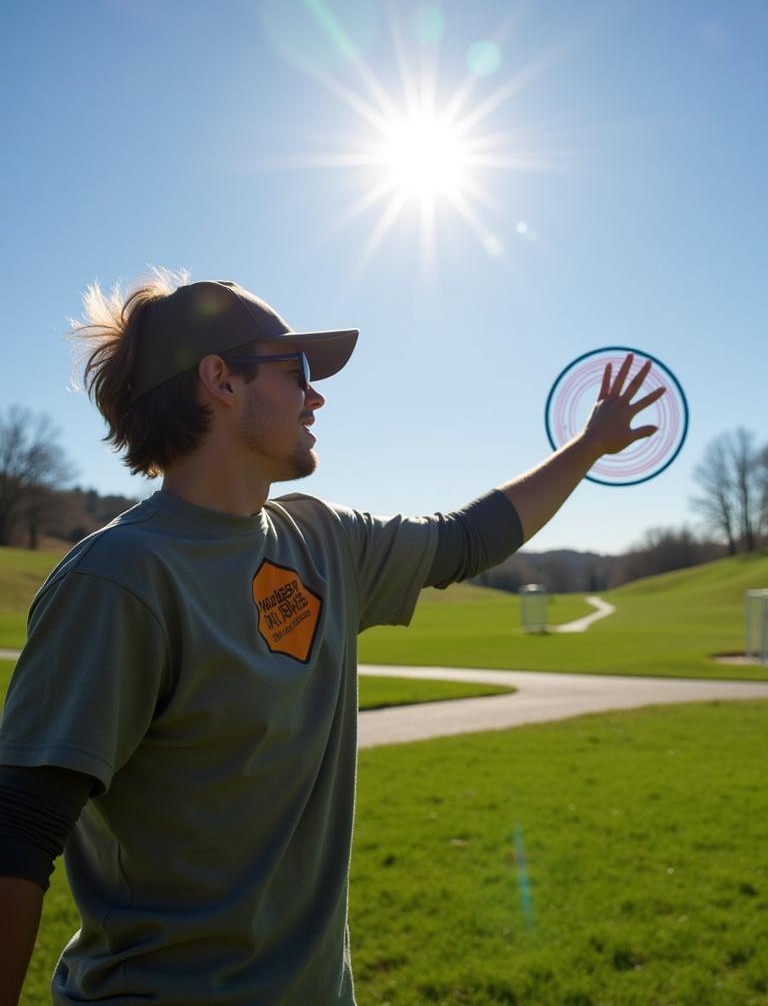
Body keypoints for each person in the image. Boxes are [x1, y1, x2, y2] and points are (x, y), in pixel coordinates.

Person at [0, 270, 665, 1005]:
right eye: (298, 371)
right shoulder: (120, 581)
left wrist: (590, 444)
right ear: (220, 380)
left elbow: (470, 538)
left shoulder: (322, 540)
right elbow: (19, 827)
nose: (317, 397)